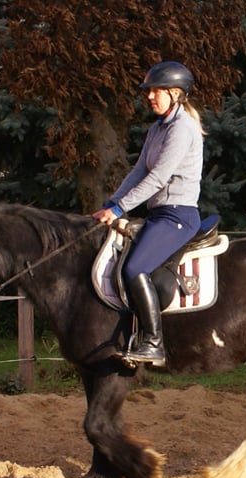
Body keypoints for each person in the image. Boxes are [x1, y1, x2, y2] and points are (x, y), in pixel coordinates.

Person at [92, 61, 204, 365]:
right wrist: (110, 204)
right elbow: (140, 170)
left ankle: (154, 343)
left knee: (134, 269)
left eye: (156, 91)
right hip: (158, 215)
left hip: (178, 216)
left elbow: (158, 178)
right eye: (149, 91)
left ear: (176, 94)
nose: (150, 96)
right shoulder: (157, 129)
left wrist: (120, 208)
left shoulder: (183, 128)